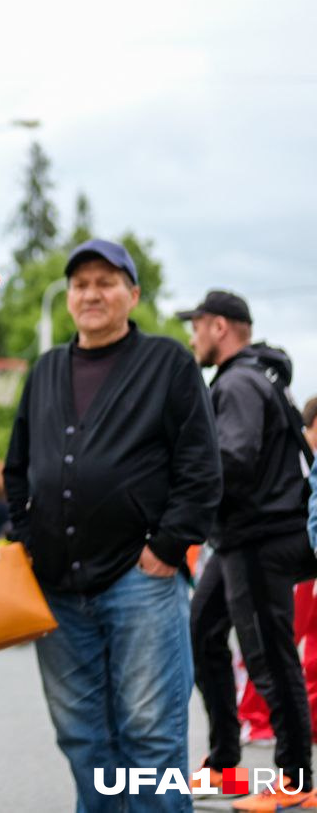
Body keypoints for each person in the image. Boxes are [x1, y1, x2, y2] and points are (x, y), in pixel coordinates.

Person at [4, 240, 221, 813]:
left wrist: (169, 547)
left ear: (133, 294)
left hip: (140, 579)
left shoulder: (168, 363)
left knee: (151, 736)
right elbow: (19, 465)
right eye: (81, 284)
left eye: (106, 282)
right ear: (70, 297)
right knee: (83, 737)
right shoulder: (48, 367)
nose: (91, 294)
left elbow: (201, 464)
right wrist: (26, 539)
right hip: (56, 585)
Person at [180, 291, 317, 810]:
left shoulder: (238, 381)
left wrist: (184, 492)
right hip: (241, 536)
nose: (192, 337)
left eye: (196, 326)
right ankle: (223, 766)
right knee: (202, 630)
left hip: (260, 536)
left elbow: (232, 460)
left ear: (219, 327)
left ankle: (296, 782)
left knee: (269, 656)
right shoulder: (256, 377)